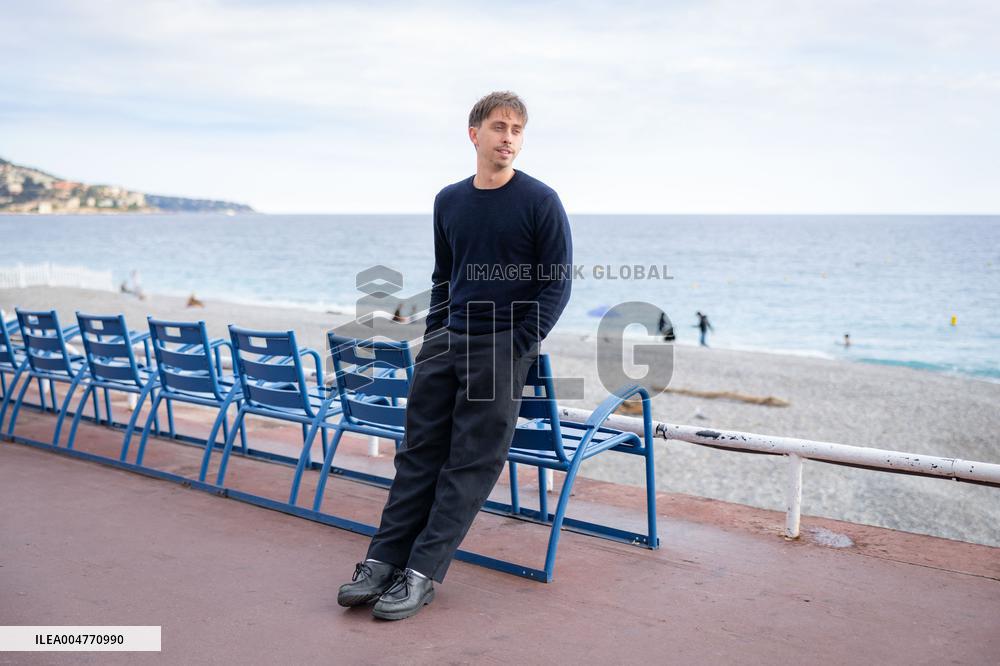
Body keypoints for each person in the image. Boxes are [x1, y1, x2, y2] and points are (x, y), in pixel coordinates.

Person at [337, 91, 572, 620]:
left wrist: (517, 344)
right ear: (474, 134)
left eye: (516, 130)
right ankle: (381, 561)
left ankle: (421, 574)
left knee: (469, 463)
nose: (508, 138)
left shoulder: (541, 201)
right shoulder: (449, 200)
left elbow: (557, 283)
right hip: (445, 344)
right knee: (417, 455)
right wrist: (434, 337)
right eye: (499, 127)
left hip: (501, 348)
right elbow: (445, 277)